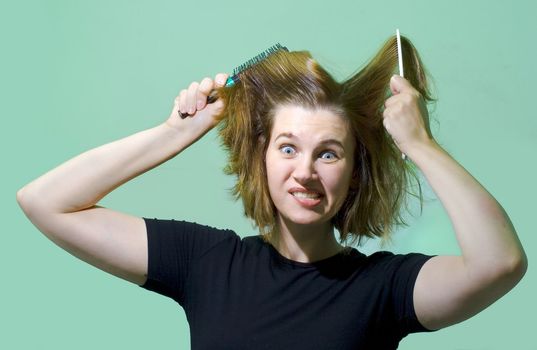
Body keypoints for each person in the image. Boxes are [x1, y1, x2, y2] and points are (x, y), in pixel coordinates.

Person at [16, 35, 527, 349]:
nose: (305, 171)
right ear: (260, 157)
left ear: (354, 170)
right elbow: (45, 201)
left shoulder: (384, 289)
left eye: (328, 153)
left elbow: (499, 262)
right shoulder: (206, 262)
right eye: (287, 148)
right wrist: (171, 134)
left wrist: (421, 145)